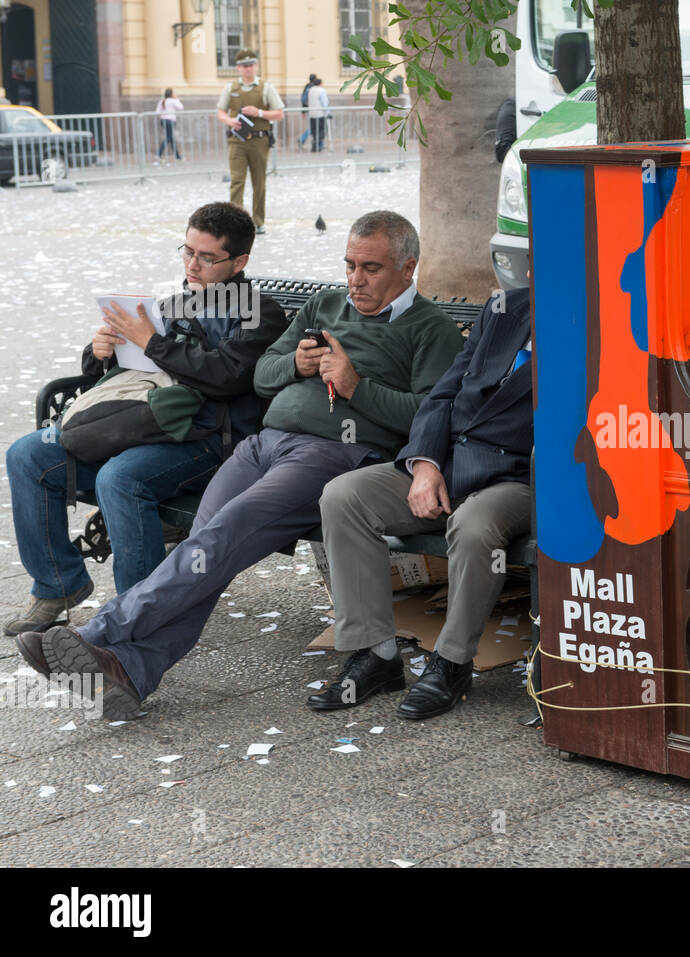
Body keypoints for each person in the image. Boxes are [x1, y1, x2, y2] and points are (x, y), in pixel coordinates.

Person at [18, 212, 467, 721]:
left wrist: (356, 385)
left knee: (219, 538)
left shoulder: (430, 329)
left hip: (334, 455)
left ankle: (101, 633)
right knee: (205, 548)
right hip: (263, 445)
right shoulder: (326, 304)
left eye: (371, 268)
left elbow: (433, 420)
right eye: (349, 265)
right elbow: (261, 376)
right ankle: (129, 672)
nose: (355, 280)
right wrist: (294, 365)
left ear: (408, 268)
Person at [4, 202, 287, 635]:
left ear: (240, 261)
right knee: (28, 454)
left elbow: (227, 376)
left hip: (211, 438)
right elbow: (126, 370)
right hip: (147, 426)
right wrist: (100, 350)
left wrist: (153, 343)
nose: (192, 264)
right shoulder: (174, 304)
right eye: (187, 251)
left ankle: (136, 618)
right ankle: (57, 584)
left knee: (120, 479)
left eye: (206, 257)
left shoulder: (257, 312)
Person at [307, 286, 533, 718]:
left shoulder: (596, 322)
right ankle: (376, 655)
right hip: (450, 459)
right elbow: (444, 392)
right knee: (344, 496)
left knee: (474, 525)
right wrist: (425, 462)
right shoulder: (508, 305)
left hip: (520, 474)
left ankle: (450, 662)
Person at [215, 49, 284, 236]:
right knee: (237, 182)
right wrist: (229, 121)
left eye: (251, 65)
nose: (248, 69)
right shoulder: (231, 88)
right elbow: (220, 111)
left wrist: (259, 113)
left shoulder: (265, 87)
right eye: (244, 66)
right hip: (237, 141)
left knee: (259, 182)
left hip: (259, 140)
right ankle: (236, 222)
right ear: (238, 68)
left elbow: (279, 113)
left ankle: (258, 221)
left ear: (256, 66)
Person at [155, 88, 183, 162]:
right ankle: (158, 154)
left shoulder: (162, 101)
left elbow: (157, 112)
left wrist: (164, 115)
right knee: (169, 137)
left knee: (170, 138)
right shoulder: (173, 101)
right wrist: (176, 99)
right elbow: (181, 107)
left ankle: (177, 156)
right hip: (170, 121)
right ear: (171, 94)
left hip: (163, 120)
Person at [307, 77, 329, 153]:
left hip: (311, 114)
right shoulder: (321, 90)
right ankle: (315, 144)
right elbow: (324, 103)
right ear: (320, 83)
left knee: (314, 131)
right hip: (320, 114)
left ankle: (315, 146)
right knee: (321, 131)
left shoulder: (310, 90)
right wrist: (327, 113)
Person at [297, 73, 317, 150]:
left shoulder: (307, 86)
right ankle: (302, 139)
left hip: (307, 109)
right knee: (313, 127)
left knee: (313, 127)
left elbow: (303, 99)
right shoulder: (313, 87)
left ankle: (313, 142)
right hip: (313, 110)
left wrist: (303, 111)